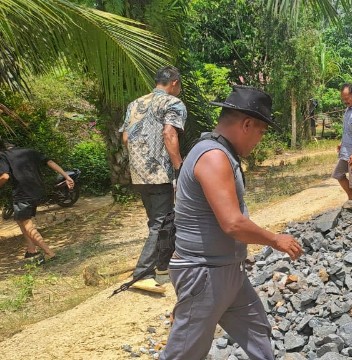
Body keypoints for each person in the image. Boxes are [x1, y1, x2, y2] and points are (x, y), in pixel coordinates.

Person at [162, 85, 303, 359]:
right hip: (203, 273)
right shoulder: (213, 156)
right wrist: (275, 239)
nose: (260, 140)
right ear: (247, 124)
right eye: (261, 132)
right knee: (185, 352)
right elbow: (233, 224)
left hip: (228, 271)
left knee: (256, 331)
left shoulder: (224, 154)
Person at [119, 65, 186, 294]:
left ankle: (163, 265)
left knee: (156, 221)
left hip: (138, 174)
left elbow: (126, 137)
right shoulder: (172, 103)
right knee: (161, 223)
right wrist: (179, 167)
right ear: (174, 82)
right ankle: (143, 273)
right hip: (159, 173)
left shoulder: (135, 104)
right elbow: (169, 133)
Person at [0, 141, 74, 263]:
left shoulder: (3, 155)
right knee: (20, 219)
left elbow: (5, 177)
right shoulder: (29, 151)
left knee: (27, 224)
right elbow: (49, 162)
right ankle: (31, 249)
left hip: (23, 193)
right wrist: (67, 176)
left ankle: (49, 253)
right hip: (38, 190)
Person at [332, 83, 352, 203]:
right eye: (343, 98)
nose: (345, 101)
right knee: (338, 173)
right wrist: (342, 143)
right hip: (346, 151)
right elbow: (348, 130)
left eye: (347, 98)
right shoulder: (348, 109)